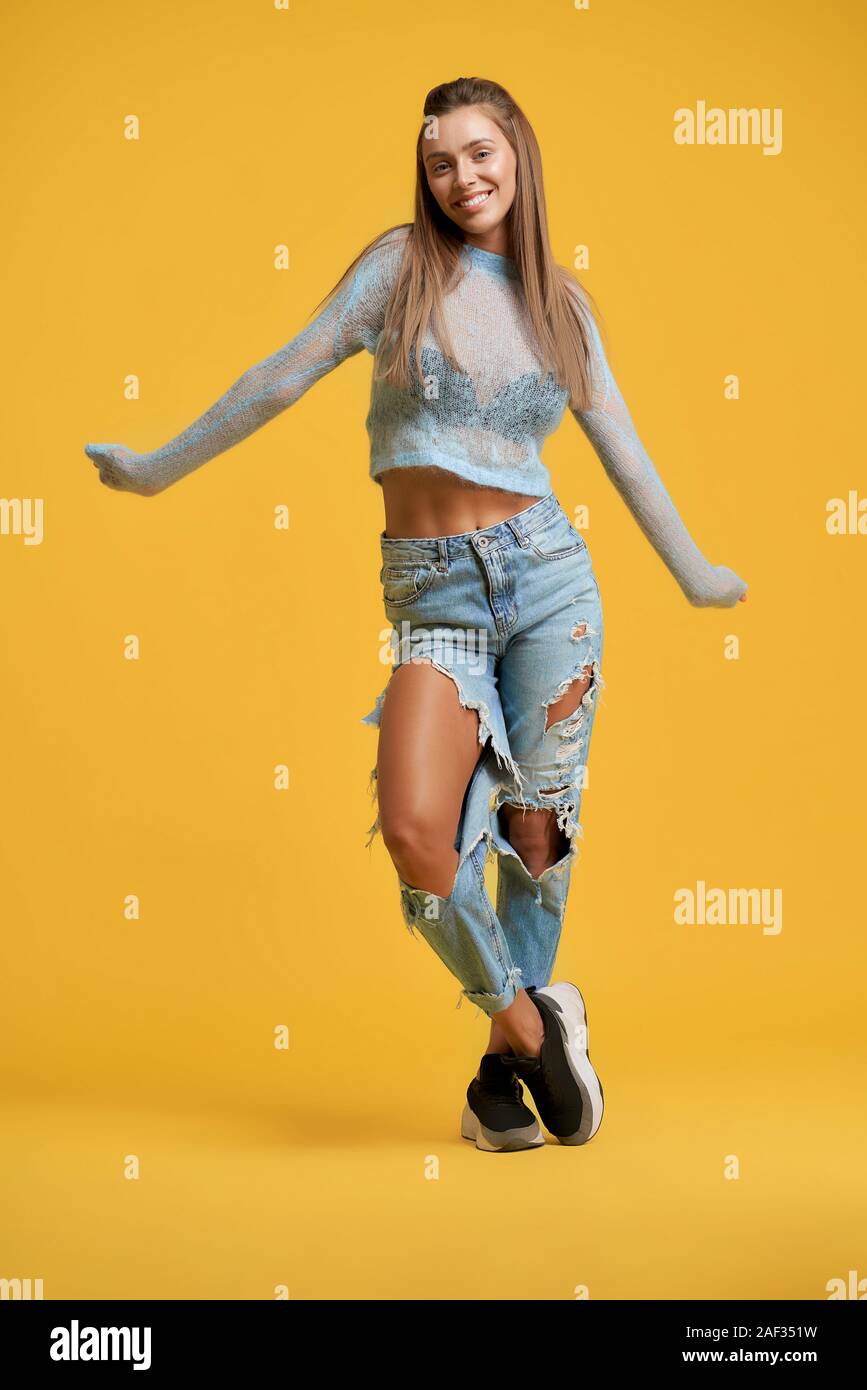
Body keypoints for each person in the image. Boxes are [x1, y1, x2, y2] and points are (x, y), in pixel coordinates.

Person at [85, 76, 747, 1155]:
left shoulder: (560, 305)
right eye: (441, 163)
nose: (462, 178)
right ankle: (534, 1028)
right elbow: (278, 378)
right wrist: (159, 469)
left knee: (534, 838)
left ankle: (498, 1086)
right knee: (415, 831)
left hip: (549, 581)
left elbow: (621, 448)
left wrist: (694, 571)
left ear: (518, 156)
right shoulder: (400, 270)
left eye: (481, 155)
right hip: (432, 591)